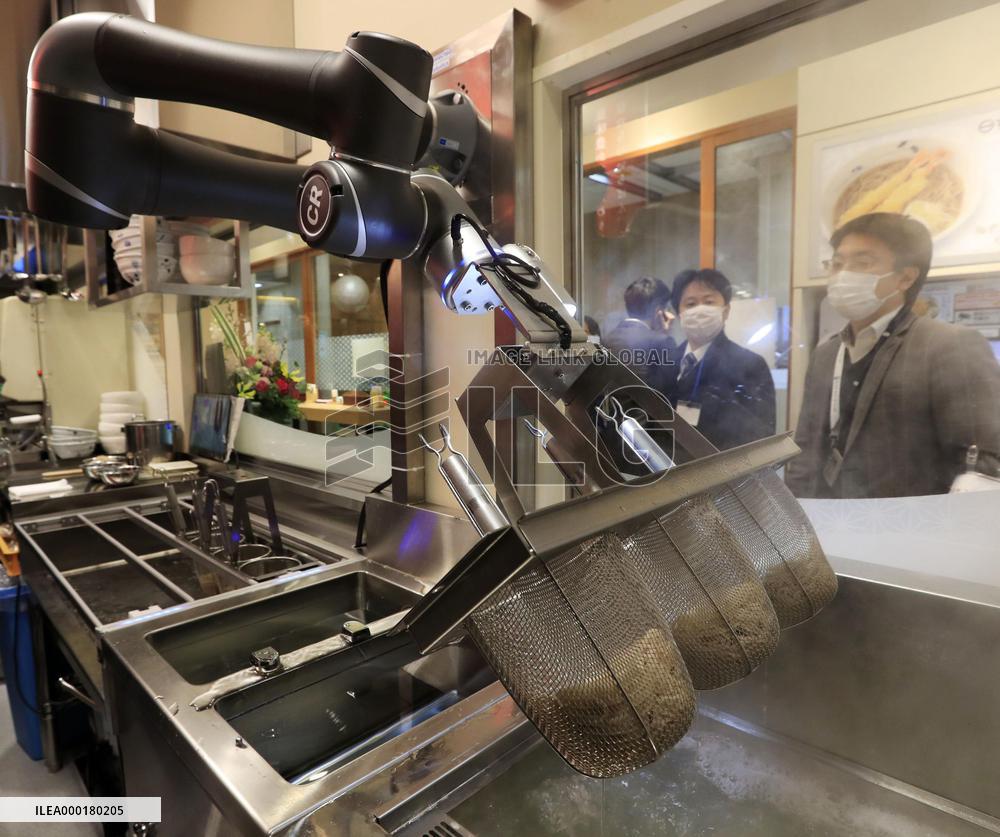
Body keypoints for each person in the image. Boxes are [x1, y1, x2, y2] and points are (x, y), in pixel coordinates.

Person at [786, 212, 1000, 498]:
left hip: (910, 529)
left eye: (862, 263)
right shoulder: (826, 353)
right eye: (836, 264)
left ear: (905, 277)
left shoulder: (949, 345)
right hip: (829, 526)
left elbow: (983, 464)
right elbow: (806, 448)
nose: (842, 275)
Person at [664, 268, 775, 449]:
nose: (700, 310)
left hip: (723, 471)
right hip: (667, 469)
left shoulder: (750, 365)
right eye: (690, 304)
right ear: (679, 313)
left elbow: (761, 436)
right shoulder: (666, 361)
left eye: (709, 302)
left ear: (726, 310)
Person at [603, 276, 675, 390]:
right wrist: (665, 335)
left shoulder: (608, 339)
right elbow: (667, 390)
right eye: (667, 308)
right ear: (658, 311)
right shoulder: (663, 342)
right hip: (649, 408)